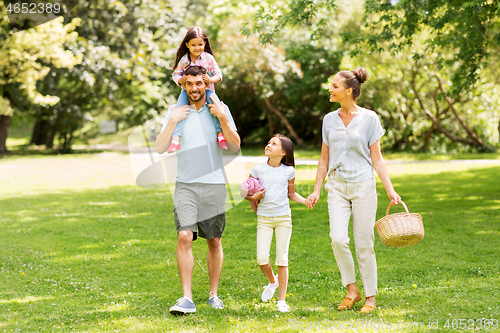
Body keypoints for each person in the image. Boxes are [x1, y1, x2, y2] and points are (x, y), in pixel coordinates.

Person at [305, 68, 401, 314]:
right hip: (336, 186)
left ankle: (370, 297)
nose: (330, 88)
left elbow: (377, 159)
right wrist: (316, 190)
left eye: (334, 86)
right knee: (338, 239)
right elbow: (324, 160)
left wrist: (390, 190)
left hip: (363, 186)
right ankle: (351, 290)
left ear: (349, 91)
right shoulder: (329, 119)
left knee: (364, 243)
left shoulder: (369, 119)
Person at [156, 65, 240, 315]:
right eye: (189, 84)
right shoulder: (175, 111)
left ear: (206, 84)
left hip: (214, 183)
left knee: (214, 240)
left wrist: (223, 117)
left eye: (199, 84)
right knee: (184, 236)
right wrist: (172, 121)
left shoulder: (219, 110)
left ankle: (214, 294)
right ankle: (186, 297)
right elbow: (160, 147)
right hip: (185, 185)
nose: (194, 88)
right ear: (183, 85)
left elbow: (235, 146)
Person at [241, 134, 309, 313]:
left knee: (282, 259)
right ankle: (272, 281)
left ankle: (281, 301)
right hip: (264, 218)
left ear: (283, 152)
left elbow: (291, 194)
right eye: (269, 142)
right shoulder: (257, 170)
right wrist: (253, 197)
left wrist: (305, 201)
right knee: (262, 259)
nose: (268, 145)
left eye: (274, 143)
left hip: (283, 218)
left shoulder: (289, 171)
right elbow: (244, 192)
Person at [168, 26, 227, 153]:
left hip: (207, 91)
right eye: (193, 45)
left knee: (216, 107)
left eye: (200, 44)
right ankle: (176, 139)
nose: (197, 48)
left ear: (205, 43)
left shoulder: (209, 58)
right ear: (187, 45)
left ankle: (220, 135)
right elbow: (175, 74)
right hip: (187, 92)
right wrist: (181, 80)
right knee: (180, 109)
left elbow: (219, 75)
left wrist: (210, 80)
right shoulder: (184, 60)